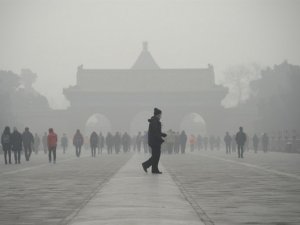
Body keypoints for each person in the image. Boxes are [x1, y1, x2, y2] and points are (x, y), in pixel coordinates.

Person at [142, 108, 167, 174]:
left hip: (154, 141)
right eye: (160, 114)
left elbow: (156, 131)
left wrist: (162, 134)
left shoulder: (155, 121)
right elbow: (155, 132)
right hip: (155, 141)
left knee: (156, 156)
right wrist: (160, 139)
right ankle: (145, 165)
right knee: (156, 156)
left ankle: (154, 169)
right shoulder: (155, 121)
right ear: (158, 115)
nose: (161, 116)